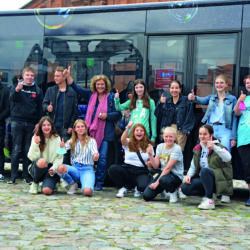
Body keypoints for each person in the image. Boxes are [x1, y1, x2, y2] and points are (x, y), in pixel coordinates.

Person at [67, 71, 121, 190]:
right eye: (98, 84)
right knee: (86, 156)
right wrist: (68, 75)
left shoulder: (111, 97)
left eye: (102, 84)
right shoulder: (90, 95)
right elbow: (76, 87)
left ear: (106, 85)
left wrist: (107, 115)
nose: (100, 86)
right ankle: (84, 179)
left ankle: (99, 182)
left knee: (102, 158)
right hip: (89, 133)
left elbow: (118, 114)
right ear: (94, 85)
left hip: (105, 133)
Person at [188, 75, 237, 203]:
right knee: (210, 158)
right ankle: (213, 190)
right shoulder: (211, 98)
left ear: (227, 84)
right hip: (211, 130)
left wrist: (233, 136)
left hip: (225, 130)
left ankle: (225, 192)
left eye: (221, 83)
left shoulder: (232, 99)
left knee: (224, 159)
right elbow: (201, 100)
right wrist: (194, 98)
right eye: (217, 83)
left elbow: (237, 115)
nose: (219, 85)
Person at [181, 125, 233, 210]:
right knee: (185, 188)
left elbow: (228, 158)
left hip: (218, 181)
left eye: (205, 134)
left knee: (205, 171)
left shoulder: (219, 147)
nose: (202, 136)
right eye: (200, 134)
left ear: (211, 135)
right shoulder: (198, 148)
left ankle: (210, 200)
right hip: (205, 179)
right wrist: (189, 175)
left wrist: (214, 147)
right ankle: (209, 194)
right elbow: (193, 165)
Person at [8, 67, 44, 184]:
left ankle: (26, 176)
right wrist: (17, 90)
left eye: (32, 75)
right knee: (16, 149)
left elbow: (40, 109)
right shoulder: (16, 87)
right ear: (23, 76)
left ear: (34, 77)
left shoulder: (38, 90)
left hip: (31, 123)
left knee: (28, 150)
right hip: (17, 122)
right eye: (27, 75)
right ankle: (13, 176)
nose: (29, 77)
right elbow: (12, 100)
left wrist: (38, 123)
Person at [42, 66, 78, 165]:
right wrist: (47, 108)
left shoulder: (72, 92)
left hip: (65, 128)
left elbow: (75, 112)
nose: (55, 78)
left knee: (64, 151)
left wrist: (71, 125)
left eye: (58, 76)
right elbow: (43, 104)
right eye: (55, 76)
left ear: (64, 77)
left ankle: (63, 173)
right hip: (51, 127)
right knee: (50, 150)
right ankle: (51, 173)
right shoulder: (50, 90)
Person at [108, 121, 153, 198]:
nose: (139, 132)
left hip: (141, 171)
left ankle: (138, 188)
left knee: (143, 186)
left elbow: (150, 161)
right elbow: (122, 139)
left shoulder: (149, 146)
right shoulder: (129, 142)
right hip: (128, 170)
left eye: (141, 131)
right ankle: (122, 188)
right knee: (112, 169)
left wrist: (149, 163)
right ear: (133, 133)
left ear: (144, 133)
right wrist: (128, 128)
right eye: (137, 130)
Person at [56, 119, 99, 196]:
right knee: (59, 168)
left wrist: (96, 156)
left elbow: (95, 153)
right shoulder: (72, 141)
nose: (80, 128)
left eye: (82, 126)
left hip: (87, 169)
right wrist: (62, 147)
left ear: (86, 128)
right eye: (78, 127)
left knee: (87, 192)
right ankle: (73, 183)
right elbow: (60, 153)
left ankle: (85, 184)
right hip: (75, 168)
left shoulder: (91, 141)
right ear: (75, 129)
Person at [143, 127, 184, 203]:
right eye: (166, 136)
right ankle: (163, 190)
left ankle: (173, 192)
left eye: (171, 137)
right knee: (147, 196)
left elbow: (168, 168)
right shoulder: (160, 147)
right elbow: (155, 166)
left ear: (175, 138)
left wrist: (156, 183)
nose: (168, 139)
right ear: (163, 137)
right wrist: (151, 155)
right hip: (163, 175)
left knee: (163, 180)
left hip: (175, 176)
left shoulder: (177, 148)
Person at [155, 80, 195, 151]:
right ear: (169, 89)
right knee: (168, 151)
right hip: (168, 129)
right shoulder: (166, 101)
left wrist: (185, 131)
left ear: (180, 89)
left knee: (178, 152)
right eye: (172, 88)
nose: (174, 90)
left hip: (180, 130)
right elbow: (157, 115)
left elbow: (190, 116)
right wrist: (160, 104)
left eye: (176, 88)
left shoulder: (186, 100)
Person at [28, 116, 63, 195]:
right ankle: (35, 183)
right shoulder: (35, 137)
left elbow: (60, 157)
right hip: (38, 167)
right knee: (42, 161)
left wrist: (54, 168)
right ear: (40, 127)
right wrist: (36, 144)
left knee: (47, 191)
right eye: (44, 125)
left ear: (52, 126)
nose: (46, 127)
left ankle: (52, 183)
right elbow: (32, 157)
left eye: (48, 125)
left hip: (50, 169)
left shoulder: (57, 138)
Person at [234, 75, 250, 206]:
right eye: (247, 83)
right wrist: (240, 101)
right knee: (248, 169)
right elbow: (238, 113)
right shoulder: (245, 99)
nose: (249, 85)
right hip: (244, 138)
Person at [0, 72, 10, 181]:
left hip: (0, 124)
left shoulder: (5, 91)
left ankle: (0, 172)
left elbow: (8, 108)